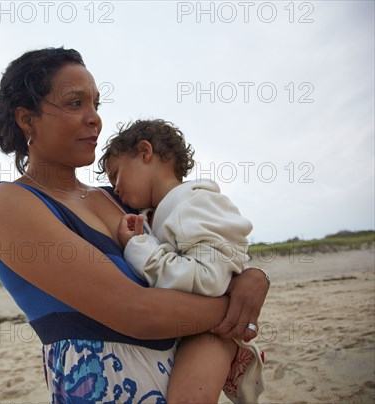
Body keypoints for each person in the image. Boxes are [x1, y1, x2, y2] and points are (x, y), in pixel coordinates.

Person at [0, 47, 269, 402]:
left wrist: (253, 276)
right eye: (75, 103)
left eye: (96, 105)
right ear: (27, 119)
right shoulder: (11, 203)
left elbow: (200, 251)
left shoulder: (120, 200)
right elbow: (138, 313)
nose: (94, 119)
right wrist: (237, 304)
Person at [97, 119, 266, 403]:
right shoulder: (158, 213)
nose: (115, 188)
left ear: (144, 152)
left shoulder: (195, 203)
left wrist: (139, 247)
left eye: (117, 174)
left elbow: (209, 281)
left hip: (209, 335)